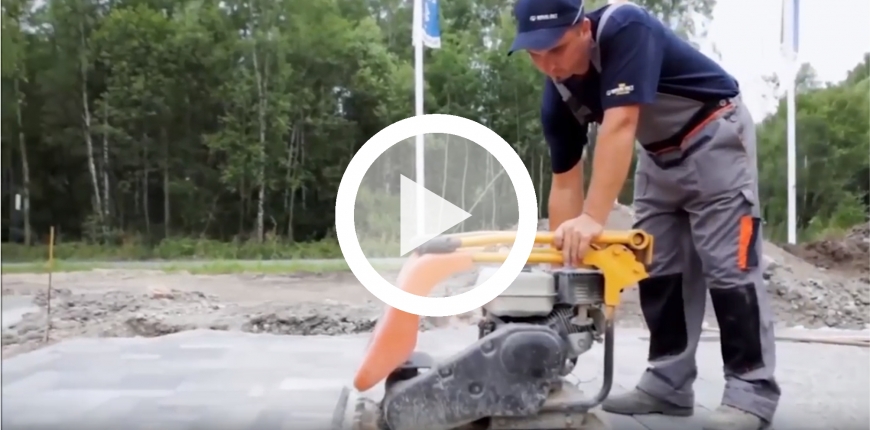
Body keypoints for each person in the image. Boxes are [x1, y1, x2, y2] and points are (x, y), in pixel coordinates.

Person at [507, 0, 781, 429]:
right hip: (657, 156)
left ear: (583, 30)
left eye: (556, 49)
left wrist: (593, 219)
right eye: (535, 55)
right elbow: (564, 183)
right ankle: (667, 384)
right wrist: (565, 266)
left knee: (730, 267)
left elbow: (620, 124)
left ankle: (751, 393)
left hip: (714, 134)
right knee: (658, 267)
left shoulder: (625, 27)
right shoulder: (559, 96)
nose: (549, 65)